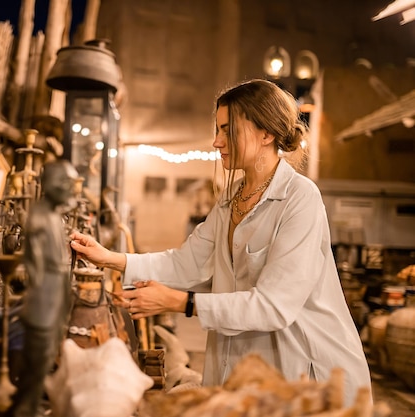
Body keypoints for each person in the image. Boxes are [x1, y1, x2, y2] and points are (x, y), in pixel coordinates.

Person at [69, 79, 372, 406]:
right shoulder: (232, 197)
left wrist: (181, 303)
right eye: (217, 129)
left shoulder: (300, 199)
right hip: (248, 373)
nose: (216, 141)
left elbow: (273, 306)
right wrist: (109, 257)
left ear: (265, 134)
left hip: (306, 377)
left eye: (227, 130)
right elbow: (186, 263)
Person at [10, 160, 78, 417]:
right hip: (42, 305)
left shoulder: (51, 214)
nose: (72, 190)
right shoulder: (39, 218)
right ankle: (25, 409)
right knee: (37, 363)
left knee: (44, 361)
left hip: (52, 301)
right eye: (68, 184)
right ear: (54, 185)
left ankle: (30, 405)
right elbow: (35, 267)